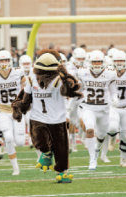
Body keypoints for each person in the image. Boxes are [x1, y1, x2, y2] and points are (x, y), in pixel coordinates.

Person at [12, 49, 82, 183]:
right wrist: (19, 107)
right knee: (39, 141)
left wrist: (66, 79)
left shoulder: (59, 79)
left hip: (58, 119)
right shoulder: (32, 79)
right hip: (38, 117)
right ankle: (46, 152)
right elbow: (26, 98)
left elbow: (68, 91)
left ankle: (62, 173)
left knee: (61, 148)